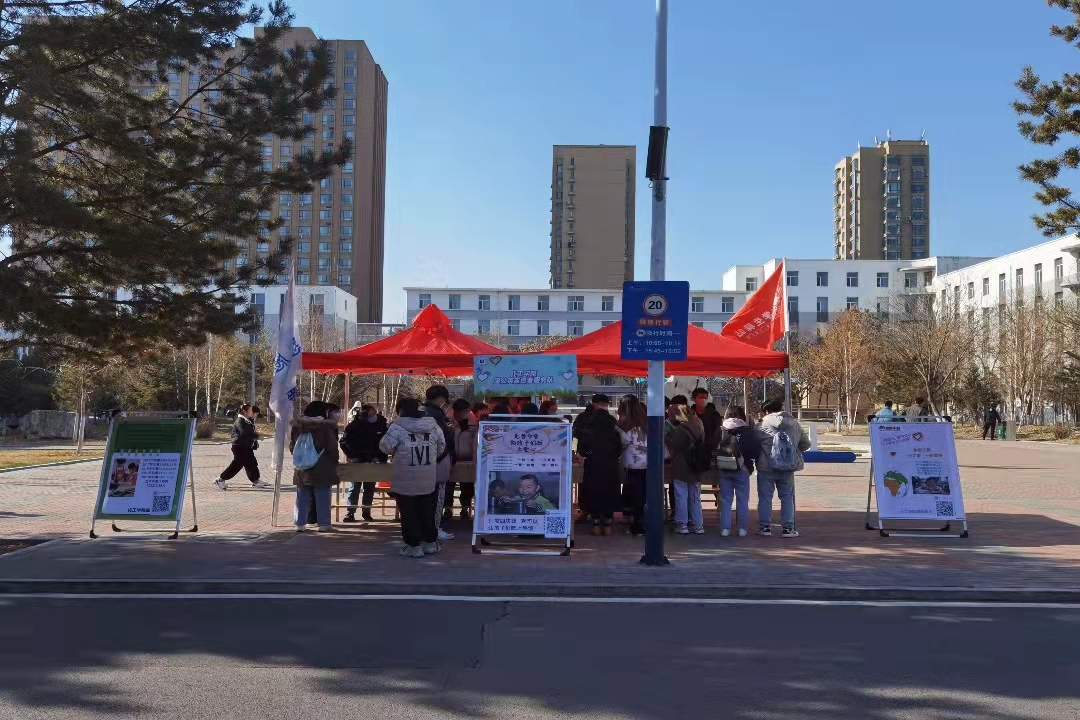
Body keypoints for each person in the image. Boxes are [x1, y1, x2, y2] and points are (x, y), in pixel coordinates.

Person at [379, 397, 445, 558]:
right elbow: (441, 447)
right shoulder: (433, 425)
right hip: (427, 476)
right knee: (427, 511)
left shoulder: (397, 427)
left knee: (409, 513)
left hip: (405, 477)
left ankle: (413, 546)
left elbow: (385, 447)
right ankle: (430, 543)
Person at [755, 397, 811, 538]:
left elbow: (754, 444)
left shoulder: (761, 424)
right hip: (787, 466)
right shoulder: (794, 423)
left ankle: (764, 528)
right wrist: (791, 452)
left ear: (766, 411)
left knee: (765, 498)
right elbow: (806, 444)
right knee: (787, 498)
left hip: (766, 466)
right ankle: (788, 529)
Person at [575, 393, 622, 535]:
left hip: (592, 463)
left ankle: (595, 523)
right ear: (607, 405)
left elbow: (581, 444)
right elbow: (618, 446)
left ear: (593, 404)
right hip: (610, 463)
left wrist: (584, 454)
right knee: (608, 491)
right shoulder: (612, 421)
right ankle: (607, 523)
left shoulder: (587, 420)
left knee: (593, 491)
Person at [289, 401, 340, 533]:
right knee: (322, 495)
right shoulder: (325, 426)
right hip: (322, 465)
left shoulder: (297, 426)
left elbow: (292, 446)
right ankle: (324, 524)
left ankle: (300, 524)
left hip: (302, 466)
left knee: (302, 496)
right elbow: (332, 447)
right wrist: (334, 460)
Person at [716, 406, 760, 537]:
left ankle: (725, 529)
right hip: (742, 468)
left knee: (725, 500)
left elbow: (712, 447)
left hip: (723, 467)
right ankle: (742, 529)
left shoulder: (721, 431)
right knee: (742, 500)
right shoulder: (747, 432)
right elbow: (754, 451)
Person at [340, 403, 388, 523]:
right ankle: (350, 512)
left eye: (374, 414)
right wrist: (352, 456)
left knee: (369, 488)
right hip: (357, 460)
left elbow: (384, 443)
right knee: (354, 487)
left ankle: (366, 512)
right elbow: (344, 442)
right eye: (371, 415)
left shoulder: (381, 425)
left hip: (373, 461)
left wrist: (379, 457)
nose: (373, 417)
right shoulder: (353, 426)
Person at [423, 385, 457, 541]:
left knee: (425, 500)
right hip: (437, 462)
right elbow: (443, 441)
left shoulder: (421, 412)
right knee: (437, 498)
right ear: (442, 398)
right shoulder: (436, 415)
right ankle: (435, 530)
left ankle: (427, 530)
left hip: (422, 463)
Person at [669, 404, 707, 535]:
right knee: (695, 497)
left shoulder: (680, 429)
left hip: (682, 466)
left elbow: (676, 446)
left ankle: (682, 525)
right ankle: (698, 525)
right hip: (696, 466)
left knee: (681, 495)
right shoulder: (699, 425)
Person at [215, 404, 268, 490]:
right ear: (244, 411)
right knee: (237, 465)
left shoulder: (246, 420)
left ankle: (255, 480)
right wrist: (257, 436)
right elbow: (245, 432)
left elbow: (250, 431)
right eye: (250, 410)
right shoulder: (240, 420)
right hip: (239, 446)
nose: (251, 412)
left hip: (246, 446)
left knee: (252, 463)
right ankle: (220, 479)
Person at [616, 394, 648, 537]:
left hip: (632, 464)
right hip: (648, 463)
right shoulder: (646, 423)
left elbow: (621, 444)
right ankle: (644, 523)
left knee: (635, 496)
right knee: (644, 495)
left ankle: (637, 526)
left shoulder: (624, 425)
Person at [445, 399, 477, 520]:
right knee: (449, 486)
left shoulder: (474, 423)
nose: (466, 413)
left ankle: (465, 509)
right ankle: (447, 509)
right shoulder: (447, 420)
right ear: (456, 411)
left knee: (467, 486)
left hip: (468, 459)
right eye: (463, 411)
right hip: (451, 459)